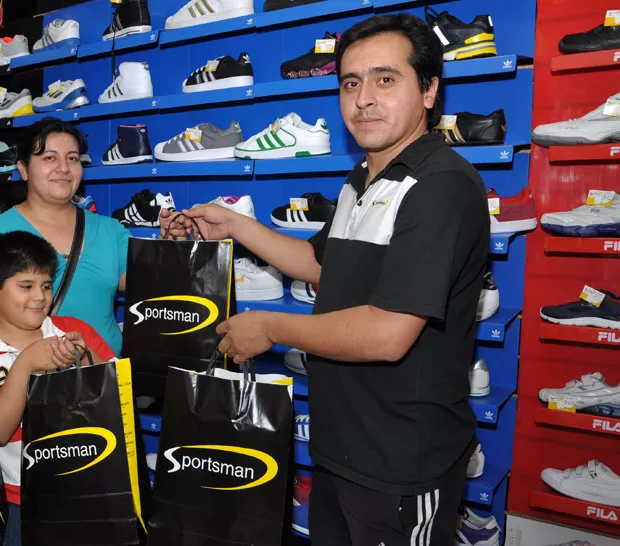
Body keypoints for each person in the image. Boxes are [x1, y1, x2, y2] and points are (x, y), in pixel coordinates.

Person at [163, 14, 489, 546]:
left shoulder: (441, 185)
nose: (363, 98)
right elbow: (321, 265)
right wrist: (237, 226)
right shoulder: (361, 179)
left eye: (386, 80)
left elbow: (388, 334)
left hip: (402, 464)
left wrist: (271, 327)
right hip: (342, 449)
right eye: (350, 83)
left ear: (429, 90)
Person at [0, 230, 116, 546]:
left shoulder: (73, 330)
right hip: (18, 500)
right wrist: (25, 365)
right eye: (25, 286)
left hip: (89, 487)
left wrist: (84, 356)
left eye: (46, 286)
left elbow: (120, 391)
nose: (39, 297)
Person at [0, 118, 129, 355]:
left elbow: (150, 288)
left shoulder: (111, 231)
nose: (63, 168)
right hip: (26, 382)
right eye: (49, 157)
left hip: (103, 380)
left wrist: (169, 248)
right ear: (23, 169)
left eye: (72, 158)